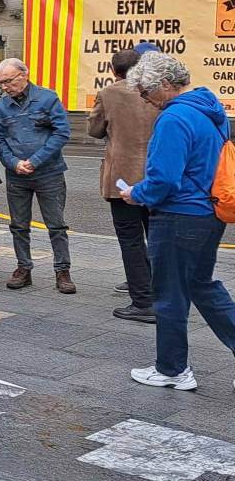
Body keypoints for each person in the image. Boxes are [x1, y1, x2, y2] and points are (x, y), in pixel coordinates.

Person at [122, 53, 235, 391]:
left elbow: (164, 180)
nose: (145, 100)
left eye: (146, 92)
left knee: (169, 294)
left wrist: (136, 193)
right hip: (208, 213)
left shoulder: (174, 118)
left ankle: (172, 369)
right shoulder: (210, 111)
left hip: (178, 216)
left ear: (166, 85)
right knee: (202, 286)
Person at [0, 58, 76, 294]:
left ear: (24, 75)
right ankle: (23, 268)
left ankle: (62, 271)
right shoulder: (1, 107)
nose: (5, 87)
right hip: (17, 175)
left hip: (49, 173)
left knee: (56, 224)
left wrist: (36, 161)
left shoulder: (48, 98)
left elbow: (62, 133)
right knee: (18, 225)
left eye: (8, 81)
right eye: (1, 83)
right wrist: (13, 163)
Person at [87, 49, 158, 323]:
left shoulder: (109, 93)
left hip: (122, 179)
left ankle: (142, 301)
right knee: (157, 238)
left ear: (113, 70)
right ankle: (164, 296)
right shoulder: (156, 91)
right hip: (156, 176)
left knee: (130, 240)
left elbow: (94, 130)